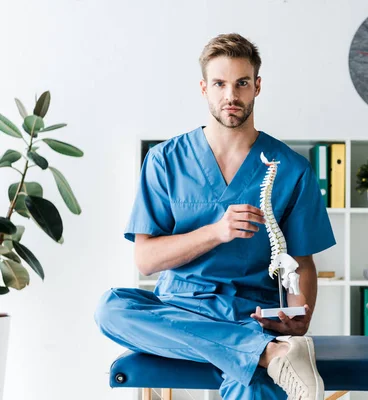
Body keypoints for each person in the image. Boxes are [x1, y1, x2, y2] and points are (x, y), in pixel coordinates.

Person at [94, 32, 336, 400]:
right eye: (220, 84)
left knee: (253, 390)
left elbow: (302, 260)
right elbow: (146, 261)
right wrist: (216, 232)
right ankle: (267, 353)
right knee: (111, 308)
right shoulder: (165, 160)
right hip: (179, 309)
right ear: (204, 88)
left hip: (250, 312)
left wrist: (302, 314)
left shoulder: (291, 169)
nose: (231, 96)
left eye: (241, 83)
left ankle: (260, 349)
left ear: (257, 87)